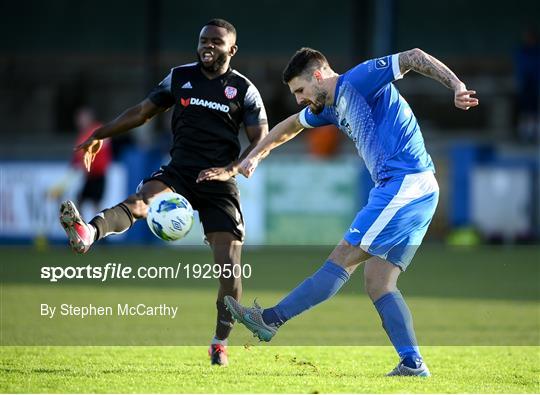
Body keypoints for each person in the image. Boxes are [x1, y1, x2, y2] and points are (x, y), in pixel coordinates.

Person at [224, 47, 478, 376]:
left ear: (318, 75)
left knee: (343, 256)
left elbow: (413, 57)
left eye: (300, 90)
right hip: (417, 188)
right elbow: (291, 125)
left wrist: (456, 85)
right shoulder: (328, 107)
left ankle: (270, 320)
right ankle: (412, 363)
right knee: (379, 282)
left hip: (404, 184)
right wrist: (257, 155)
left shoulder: (359, 79)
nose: (299, 99)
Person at [58, 19, 268, 366]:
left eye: (216, 41)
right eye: (203, 40)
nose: (207, 46)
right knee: (139, 202)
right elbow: (142, 112)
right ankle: (88, 232)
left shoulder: (243, 89)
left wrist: (234, 168)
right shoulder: (180, 77)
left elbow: (261, 139)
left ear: (232, 50)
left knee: (230, 273)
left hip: (220, 181)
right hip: (180, 171)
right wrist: (101, 133)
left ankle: (219, 341)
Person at [49, 107, 112, 214]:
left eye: (82, 118)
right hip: (89, 176)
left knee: (95, 203)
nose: (79, 121)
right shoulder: (82, 135)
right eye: (78, 118)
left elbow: (103, 143)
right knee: (80, 201)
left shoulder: (98, 129)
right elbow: (77, 157)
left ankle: (100, 228)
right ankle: (82, 227)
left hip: (98, 174)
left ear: (89, 118)